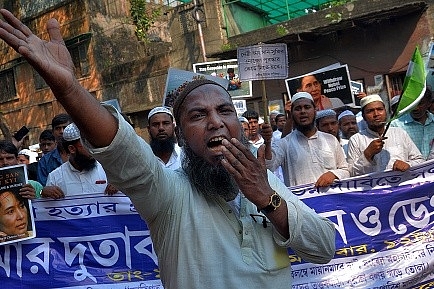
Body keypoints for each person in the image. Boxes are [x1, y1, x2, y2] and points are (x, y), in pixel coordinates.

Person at [0, 10, 336, 287]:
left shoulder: (268, 186)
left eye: (224, 111)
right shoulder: (169, 192)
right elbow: (123, 151)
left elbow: (323, 247)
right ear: (182, 135)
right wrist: (70, 89)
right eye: (198, 115)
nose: (215, 122)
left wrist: (266, 198)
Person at [264, 92, 349, 187]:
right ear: (291, 114)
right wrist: (267, 142)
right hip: (299, 201)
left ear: (315, 110)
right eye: (298, 109)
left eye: (307, 107)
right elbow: (269, 167)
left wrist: (333, 174)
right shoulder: (284, 143)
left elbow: (345, 170)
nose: (303, 111)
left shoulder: (331, 140)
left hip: (330, 200)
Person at [347, 94, 424, 176]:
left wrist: (408, 164)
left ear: (385, 112)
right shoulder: (356, 140)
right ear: (364, 116)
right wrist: (367, 154)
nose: (376, 114)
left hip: (402, 187)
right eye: (370, 111)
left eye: (380, 109)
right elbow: (352, 174)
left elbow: (419, 160)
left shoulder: (400, 133)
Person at [45, 123, 116, 198]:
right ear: (72, 149)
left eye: (92, 144)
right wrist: (43, 193)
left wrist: (120, 188)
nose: (92, 150)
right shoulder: (55, 177)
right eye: (86, 146)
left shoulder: (109, 171)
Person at [390, 87, 434, 159]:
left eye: (420, 103)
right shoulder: (395, 126)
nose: (415, 108)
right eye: (412, 103)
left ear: (429, 103)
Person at [37, 113, 72, 185]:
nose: (61, 131)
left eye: (65, 127)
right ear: (53, 132)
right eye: (58, 128)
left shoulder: (83, 153)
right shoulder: (45, 161)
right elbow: (43, 188)